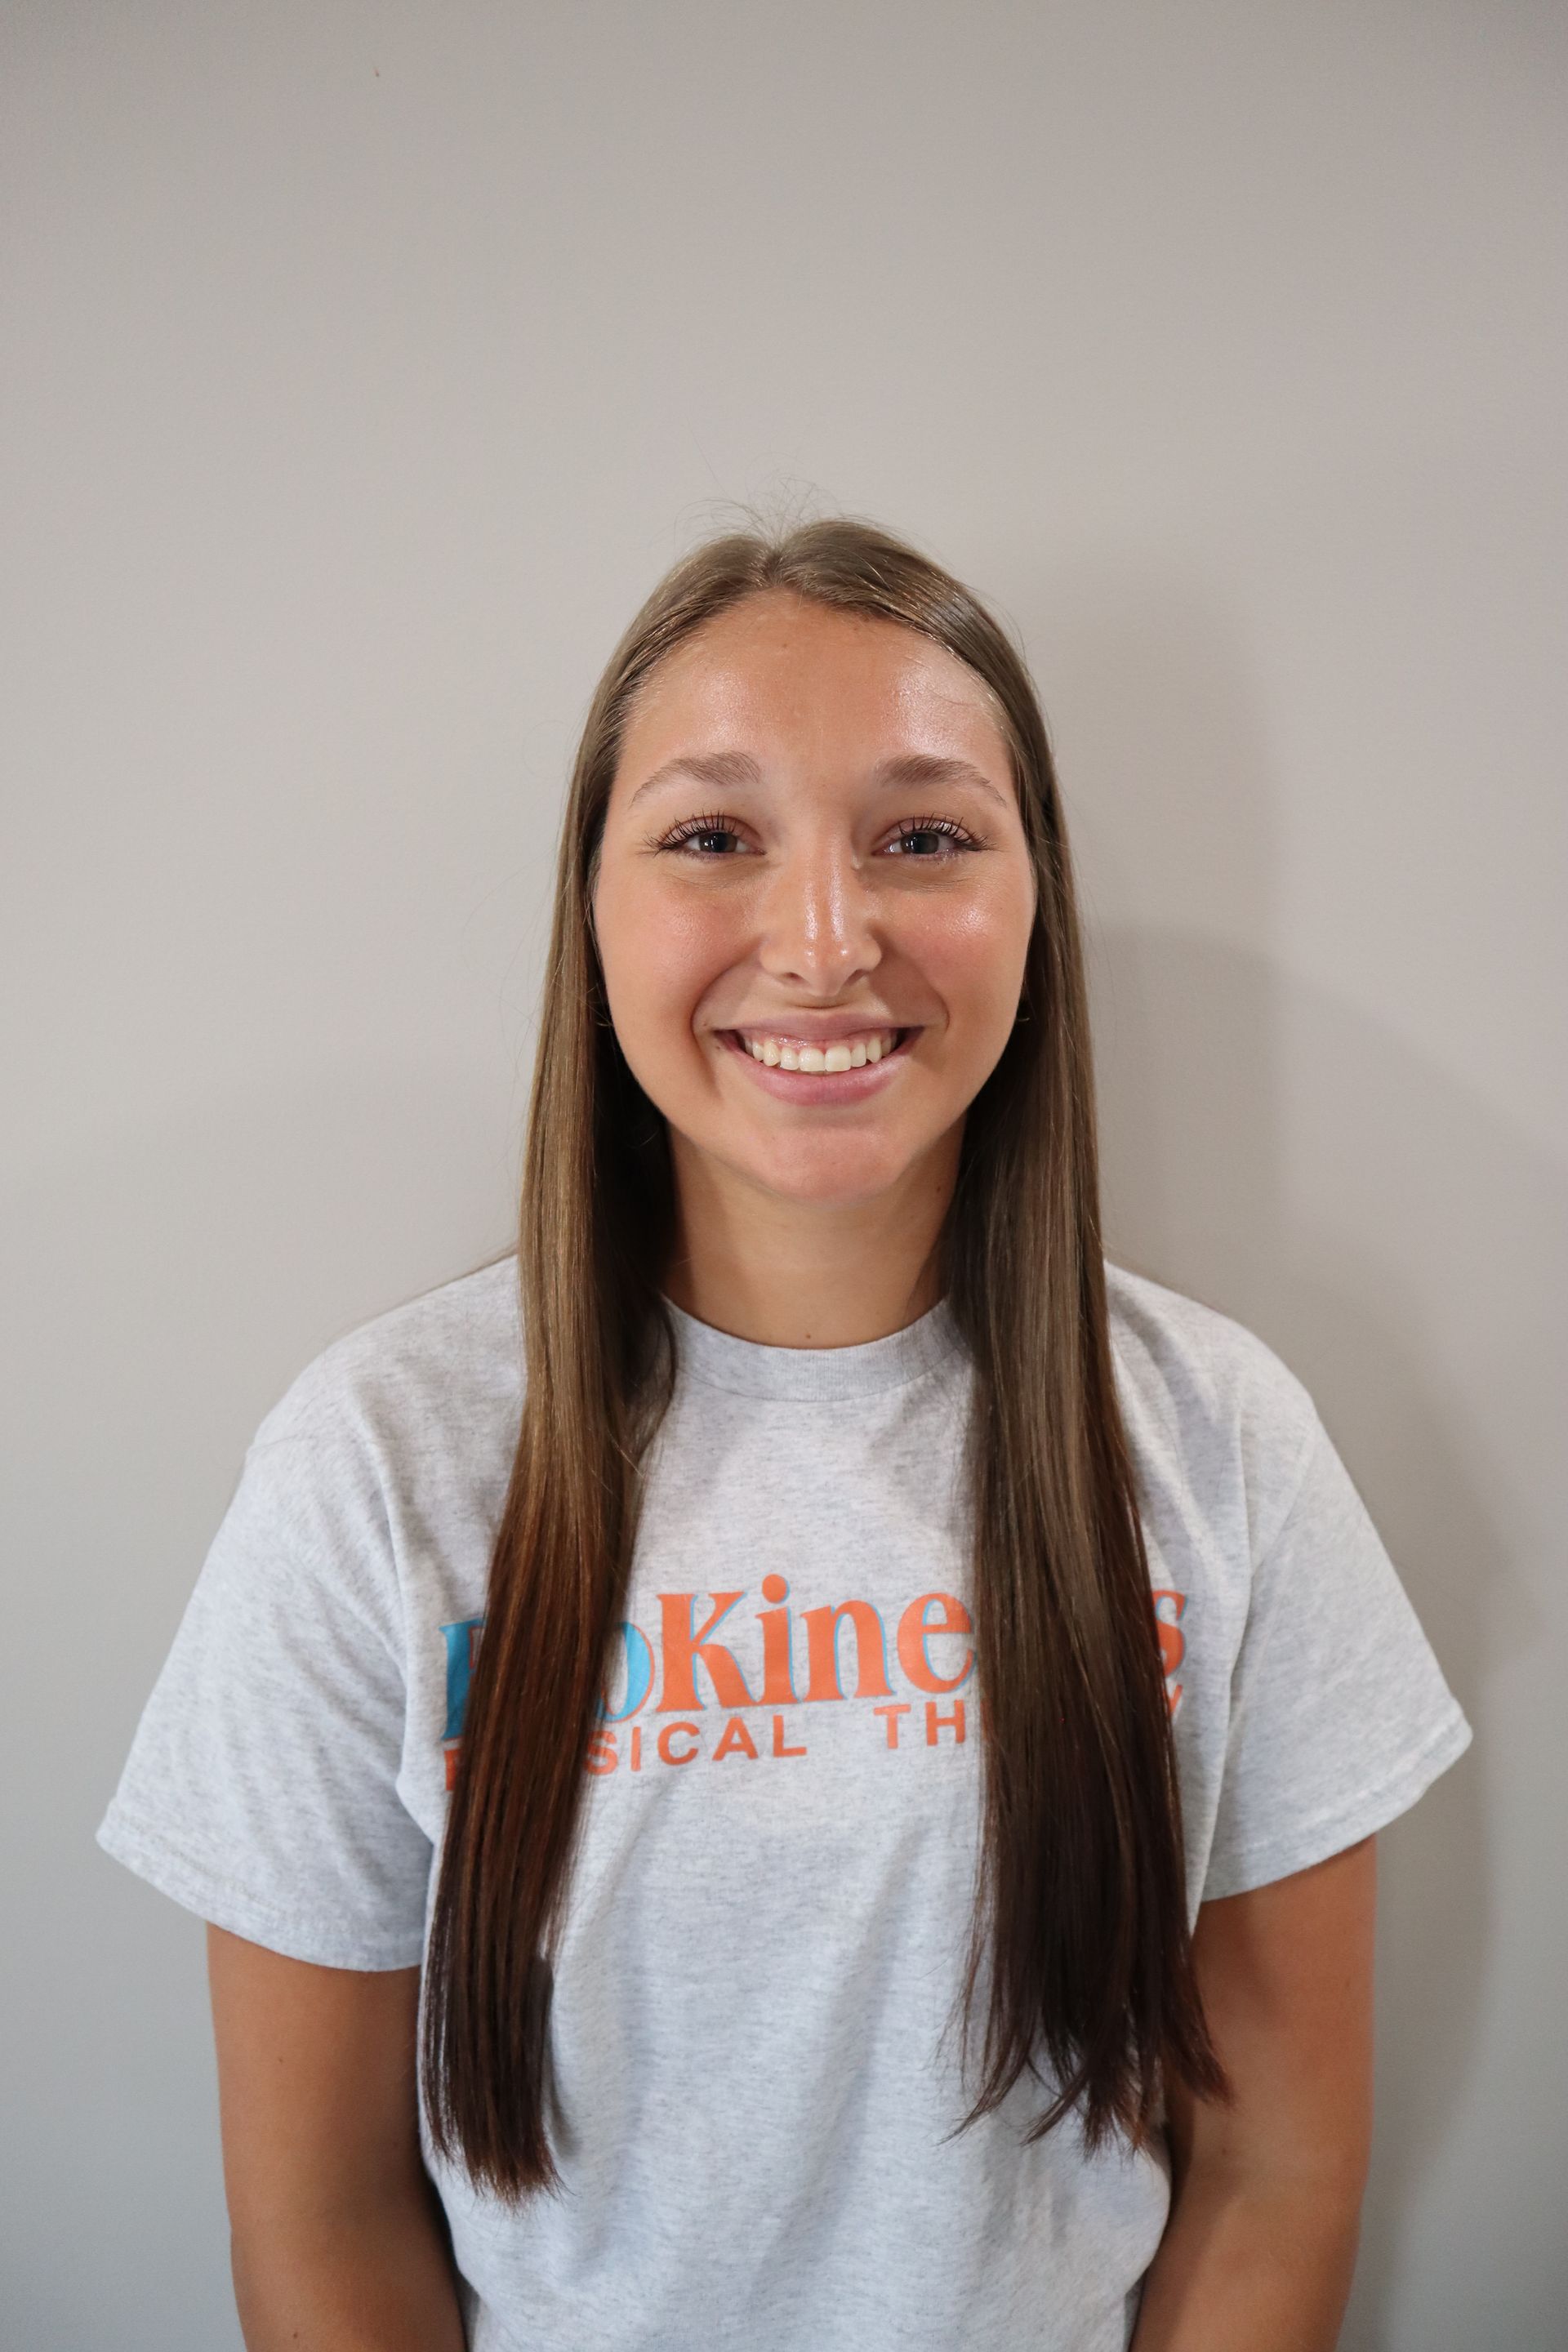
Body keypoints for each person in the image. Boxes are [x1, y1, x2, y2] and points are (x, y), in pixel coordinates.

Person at [96, 516, 1472, 2352]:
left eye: (923, 837)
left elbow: (1277, 2176)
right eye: (711, 837)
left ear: (1032, 900)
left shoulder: (1225, 1445)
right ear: (591, 911)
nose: (824, 942)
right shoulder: (371, 1469)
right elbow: (324, 2216)